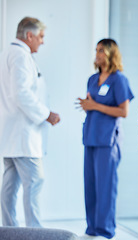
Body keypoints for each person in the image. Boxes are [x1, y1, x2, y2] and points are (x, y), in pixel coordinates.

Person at [0, 17, 60, 227]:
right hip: (23, 135)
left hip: (12, 134)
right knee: (35, 182)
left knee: (10, 186)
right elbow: (22, 94)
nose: (42, 42)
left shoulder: (9, 53)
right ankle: (34, 232)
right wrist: (47, 114)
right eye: (41, 37)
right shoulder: (20, 56)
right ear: (29, 35)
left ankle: (8, 230)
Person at [76, 38, 134, 240]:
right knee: (90, 185)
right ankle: (91, 228)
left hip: (108, 140)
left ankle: (105, 230)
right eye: (96, 50)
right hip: (91, 136)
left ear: (111, 53)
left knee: (106, 186)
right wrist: (87, 105)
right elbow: (91, 103)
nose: (97, 53)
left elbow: (123, 111)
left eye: (101, 50)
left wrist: (94, 106)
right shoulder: (93, 79)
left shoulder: (119, 80)